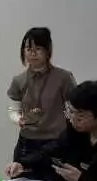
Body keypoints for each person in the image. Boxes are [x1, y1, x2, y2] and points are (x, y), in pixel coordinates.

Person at [6, 28, 76, 165]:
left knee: (54, 179)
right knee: (21, 177)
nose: (33, 53)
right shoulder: (19, 80)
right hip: (27, 143)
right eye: (28, 49)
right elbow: (13, 109)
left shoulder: (64, 78)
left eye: (38, 49)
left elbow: (74, 107)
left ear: (48, 50)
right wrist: (18, 119)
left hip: (56, 141)